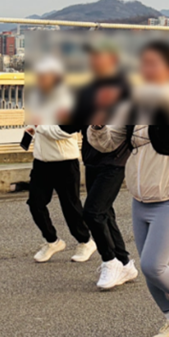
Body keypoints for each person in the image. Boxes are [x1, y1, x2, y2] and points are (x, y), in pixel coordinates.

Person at [88, 40, 169, 337]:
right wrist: (100, 124)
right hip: (142, 200)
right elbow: (109, 143)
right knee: (150, 270)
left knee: (154, 264)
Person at [71, 42, 138, 289]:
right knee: (105, 213)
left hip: (115, 159)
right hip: (91, 158)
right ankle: (125, 262)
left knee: (92, 212)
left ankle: (109, 261)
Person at [24, 57, 94, 263]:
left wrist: (40, 127)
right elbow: (35, 122)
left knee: (70, 206)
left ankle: (85, 241)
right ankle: (52, 241)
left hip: (65, 162)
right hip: (41, 161)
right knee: (35, 203)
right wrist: (30, 129)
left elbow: (65, 131)